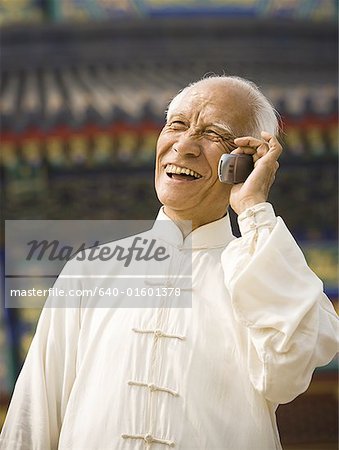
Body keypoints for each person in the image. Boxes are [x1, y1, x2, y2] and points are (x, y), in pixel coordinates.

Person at [1, 75, 338, 450]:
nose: (184, 145)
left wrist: (254, 209)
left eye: (214, 134)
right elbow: (31, 422)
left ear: (248, 159)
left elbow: (288, 370)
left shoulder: (259, 273)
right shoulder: (90, 270)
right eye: (176, 125)